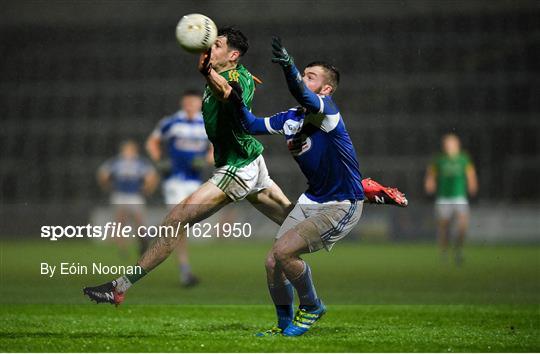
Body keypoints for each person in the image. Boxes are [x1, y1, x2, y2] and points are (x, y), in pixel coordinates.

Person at [83, 28, 406, 309]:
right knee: (295, 224)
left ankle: (119, 288)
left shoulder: (236, 78)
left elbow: (231, 94)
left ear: (234, 55)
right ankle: (359, 190)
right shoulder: (218, 76)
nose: (212, 48)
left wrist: (208, 73)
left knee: (177, 217)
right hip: (250, 163)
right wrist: (209, 74)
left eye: (219, 44)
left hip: (238, 167)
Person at [226, 37, 370, 336]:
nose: (304, 80)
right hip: (312, 199)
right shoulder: (291, 119)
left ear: (326, 88)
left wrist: (290, 69)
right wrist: (236, 98)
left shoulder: (326, 111)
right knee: (272, 261)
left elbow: (300, 92)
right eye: (303, 74)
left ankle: (313, 305)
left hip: (341, 203)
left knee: (284, 252)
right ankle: (284, 326)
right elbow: (251, 125)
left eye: (310, 77)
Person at [146, 89, 212, 287]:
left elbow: (215, 148)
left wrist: (206, 161)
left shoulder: (207, 123)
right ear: (183, 103)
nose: (190, 106)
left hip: (195, 181)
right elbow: (152, 143)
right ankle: (185, 271)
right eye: (187, 102)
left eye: (193, 102)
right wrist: (159, 161)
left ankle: (149, 234)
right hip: (174, 180)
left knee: (182, 224)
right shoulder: (172, 122)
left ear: (200, 103)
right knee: (179, 224)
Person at [97, 140, 159, 257]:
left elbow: (151, 176)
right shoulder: (117, 162)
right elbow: (103, 174)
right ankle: (123, 249)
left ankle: (142, 242)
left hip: (134, 195)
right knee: (120, 223)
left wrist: (148, 188)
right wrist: (106, 185)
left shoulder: (139, 163)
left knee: (139, 222)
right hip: (120, 195)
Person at [424, 133, 478, 265]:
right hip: (443, 198)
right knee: (444, 227)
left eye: (451, 143)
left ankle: (458, 249)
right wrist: (429, 182)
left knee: (463, 226)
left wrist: (472, 184)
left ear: (457, 145)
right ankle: (444, 252)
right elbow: (431, 173)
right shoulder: (439, 160)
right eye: (446, 144)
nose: (448, 146)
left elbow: (470, 174)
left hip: (460, 197)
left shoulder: (463, 159)